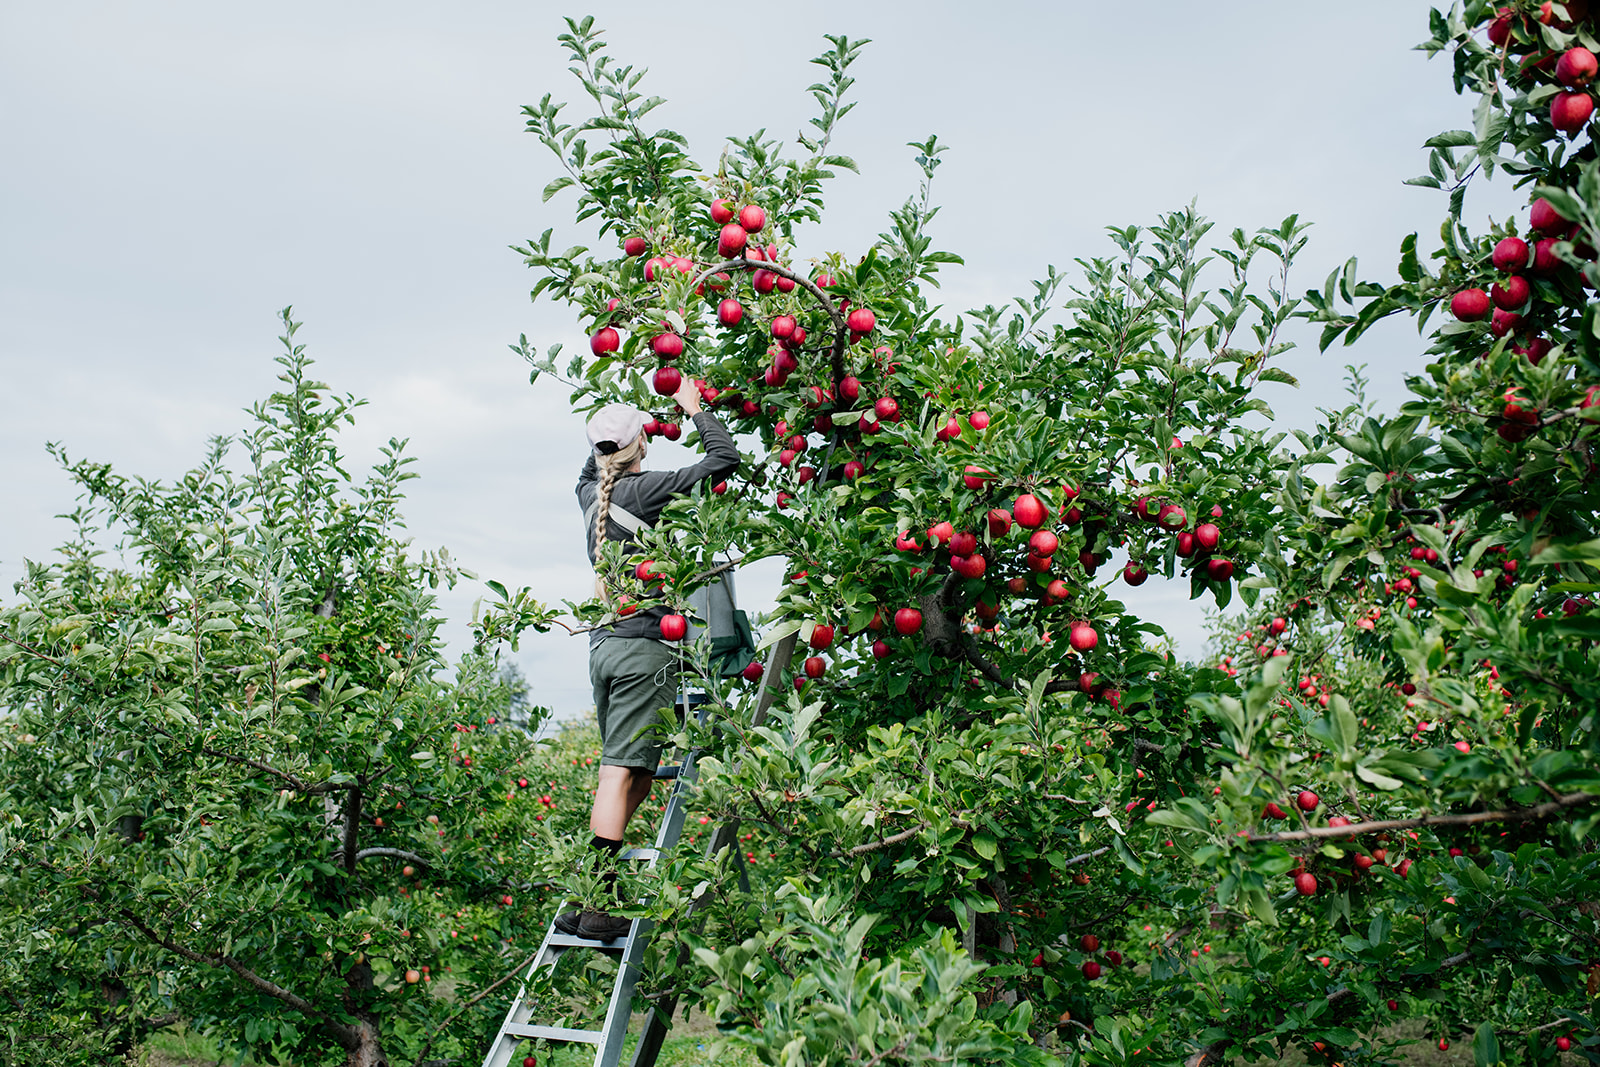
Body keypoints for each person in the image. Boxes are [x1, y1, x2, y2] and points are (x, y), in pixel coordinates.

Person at [558, 377, 739, 940]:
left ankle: (591, 882)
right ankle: (594, 896)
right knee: (618, 770)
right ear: (643, 445)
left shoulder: (592, 495)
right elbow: (723, 459)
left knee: (634, 766)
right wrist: (694, 407)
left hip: (605, 648)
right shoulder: (650, 489)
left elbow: (595, 464)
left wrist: (623, 434)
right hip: (642, 647)